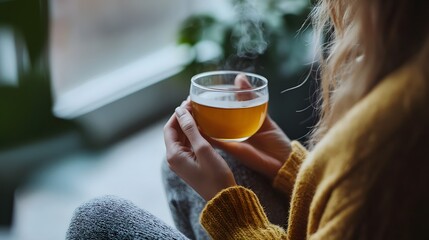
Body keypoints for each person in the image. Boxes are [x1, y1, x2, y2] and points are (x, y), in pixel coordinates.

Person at [66, 0, 429, 239]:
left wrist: (230, 207)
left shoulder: (393, 127)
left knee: (96, 220)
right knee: (221, 156)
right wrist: (295, 170)